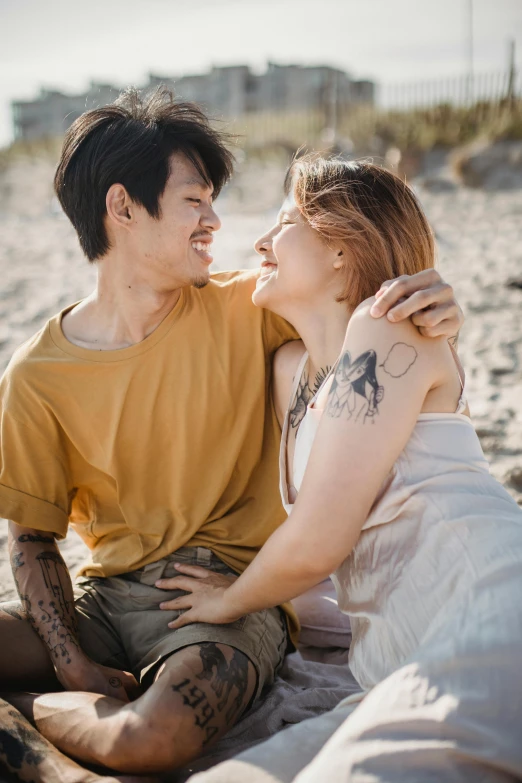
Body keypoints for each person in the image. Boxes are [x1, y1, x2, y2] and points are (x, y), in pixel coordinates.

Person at [0, 89, 463, 783]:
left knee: (152, 739)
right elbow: (33, 535)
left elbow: (359, 321)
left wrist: (439, 311)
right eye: (195, 200)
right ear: (122, 208)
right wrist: (72, 660)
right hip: (104, 598)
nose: (215, 220)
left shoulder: (250, 308)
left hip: (227, 601)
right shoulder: (37, 373)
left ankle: (32, 732)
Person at [154, 157, 522, 783]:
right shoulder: (289, 373)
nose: (262, 241)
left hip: (487, 615)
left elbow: (319, 538)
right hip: (392, 669)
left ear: (342, 250)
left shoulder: (391, 332)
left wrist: (229, 602)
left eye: (287, 221)